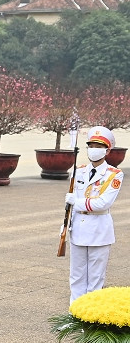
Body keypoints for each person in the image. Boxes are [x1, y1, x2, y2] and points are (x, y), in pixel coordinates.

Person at [67, 126, 123, 303]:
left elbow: (103, 203)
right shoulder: (79, 171)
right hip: (78, 228)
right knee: (76, 277)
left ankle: (90, 320)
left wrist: (76, 202)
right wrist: (66, 221)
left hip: (99, 230)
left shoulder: (114, 175)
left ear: (107, 150)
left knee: (95, 280)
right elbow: (70, 200)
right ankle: (74, 315)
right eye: (91, 145)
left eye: (98, 146)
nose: (94, 149)